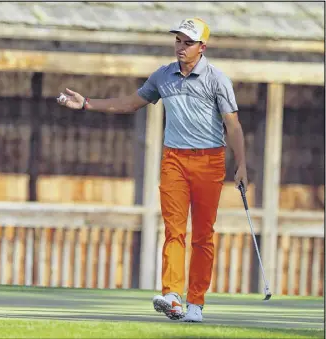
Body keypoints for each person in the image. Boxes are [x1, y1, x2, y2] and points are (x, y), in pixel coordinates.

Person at [57, 17, 248, 323]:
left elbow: (233, 125)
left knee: (202, 235)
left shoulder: (216, 79)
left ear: (202, 47)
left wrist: (241, 165)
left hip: (210, 161)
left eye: (188, 43)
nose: (181, 48)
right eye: (178, 41)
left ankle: (195, 303)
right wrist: (87, 104)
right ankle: (172, 296)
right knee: (174, 231)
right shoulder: (163, 76)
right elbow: (131, 103)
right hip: (173, 159)